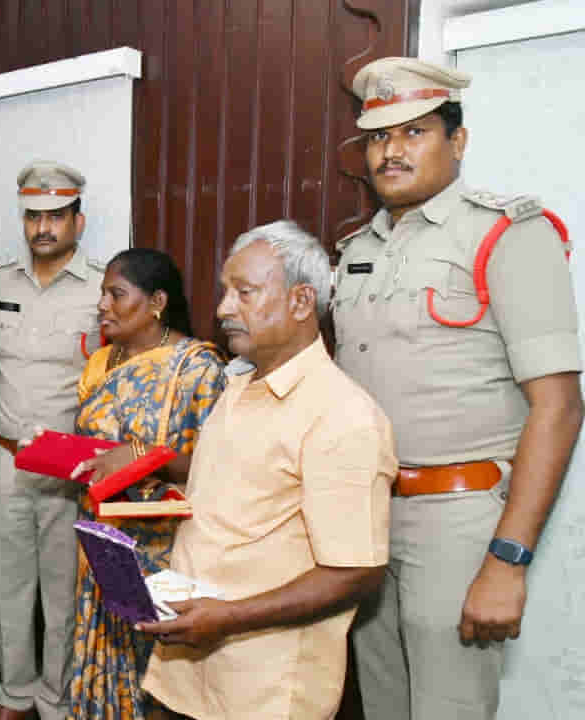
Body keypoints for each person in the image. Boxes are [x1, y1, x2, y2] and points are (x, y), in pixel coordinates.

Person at [337, 57, 583, 719]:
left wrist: (508, 559)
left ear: (458, 141)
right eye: (378, 137)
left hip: (460, 521)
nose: (390, 151)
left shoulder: (506, 234)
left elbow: (559, 406)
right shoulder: (357, 249)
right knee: (383, 705)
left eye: (414, 132)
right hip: (367, 519)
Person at [138, 221, 396, 720]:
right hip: (185, 673)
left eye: (244, 292)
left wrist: (228, 618)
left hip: (262, 690)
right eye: (225, 292)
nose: (223, 309)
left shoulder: (342, 416)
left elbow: (355, 572)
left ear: (301, 302)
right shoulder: (239, 387)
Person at [65, 248, 226, 720]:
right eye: (102, 294)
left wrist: (142, 457)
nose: (103, 305)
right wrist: (57, 451)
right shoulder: (101, 363)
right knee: (107, 657)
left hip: (164, 548)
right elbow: (94, 446)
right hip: (101, 538)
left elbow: (216, 466)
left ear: (156, 302)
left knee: (159, 674)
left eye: (116, 294)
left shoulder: (198, 368)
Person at [0, 161, 106, 720]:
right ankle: (15, 694)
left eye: (55, 215)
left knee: (63, 594)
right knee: (8, 589)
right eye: (33, 216)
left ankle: (56, 700)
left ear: (78, 221)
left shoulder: (102, 287)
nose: (43, 227)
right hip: (5, 458)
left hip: (69, 468)